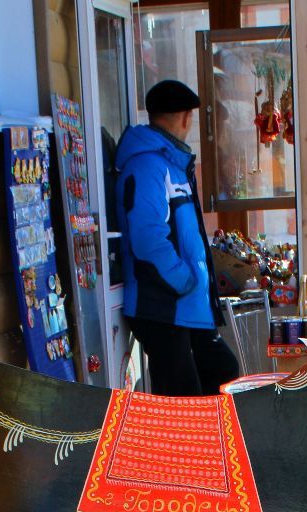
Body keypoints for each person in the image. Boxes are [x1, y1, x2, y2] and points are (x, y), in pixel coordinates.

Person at [114, 79, 239, 397]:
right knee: (183, 401)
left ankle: (212, 446)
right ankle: (190, 448)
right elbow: (147, 240)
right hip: (163, 306)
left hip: (183, 305)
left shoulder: (170, 164)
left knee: (222, 371)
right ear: (185, 117)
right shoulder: (148, 167)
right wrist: (186, 281)